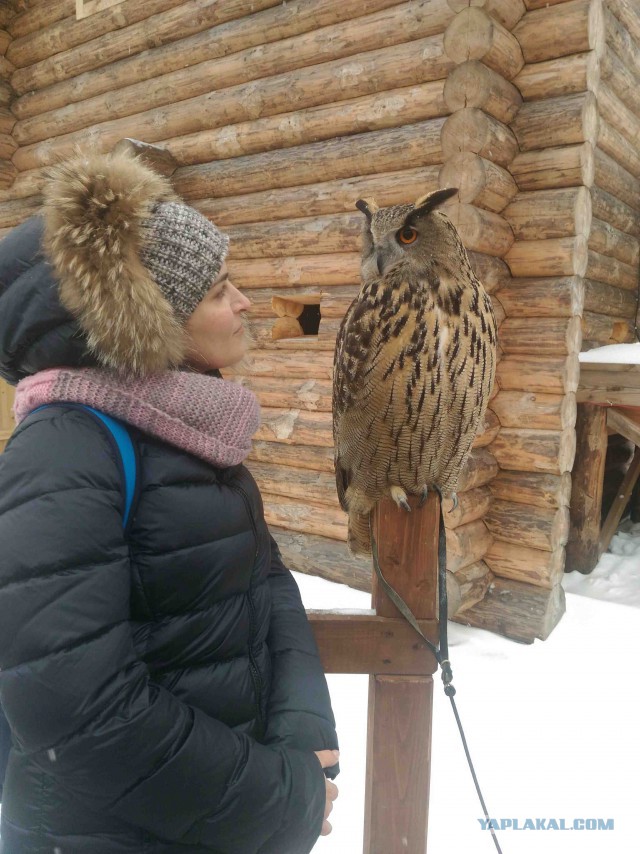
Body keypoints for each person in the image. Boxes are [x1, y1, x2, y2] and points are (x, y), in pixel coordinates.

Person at [0, 149, 339, 854]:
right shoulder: (68, 449)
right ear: (151, 321)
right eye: (219, 290)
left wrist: (305, 728)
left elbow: (266, 581)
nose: (245, 304)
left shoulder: (189, 429)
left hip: (211, 818)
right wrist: (279, 801)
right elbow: (77, 715)